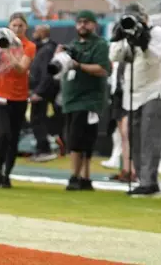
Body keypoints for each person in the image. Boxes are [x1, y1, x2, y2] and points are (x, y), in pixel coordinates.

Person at [109, 3, 161, 196]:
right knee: (134, 137)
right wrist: (121, 36)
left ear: (144, 18)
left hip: (155, 91)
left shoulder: (158, 33)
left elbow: (154, 58)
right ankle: (141, 178)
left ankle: (149, 181)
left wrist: (142, 40)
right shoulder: (128, 36)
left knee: (150, 137)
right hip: (132, 94)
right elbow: (115, 55)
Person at [60, 10, 111, 191]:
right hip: (71, 99)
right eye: (79, 22)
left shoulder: (100, 45)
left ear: (94, 24)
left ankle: (76, 176)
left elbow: (103, 69)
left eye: (87, 22)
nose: (82, 25)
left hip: (89, 99)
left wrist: (78, 65)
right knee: (77, 139)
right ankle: (84, 178)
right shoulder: (72, 45)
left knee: (80, 140)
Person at [0, 13, 36, 188]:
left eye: (20, 26)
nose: (17, 29)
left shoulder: (29, 46)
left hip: (19, 97)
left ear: (26, 28)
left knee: (14, 137)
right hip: (1, 95)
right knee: (4, 134)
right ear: (9, 27)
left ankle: (7, 174)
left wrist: (7, 51)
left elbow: (21, 68)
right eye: (14, 25)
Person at [28, 24, 60, 162]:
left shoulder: (47, 50)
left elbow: (47, 73)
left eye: (36, 31)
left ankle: (44, 149)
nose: (34, 32)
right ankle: (44, 147)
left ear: (43, 33)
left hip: (43, 91)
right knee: (39, 119)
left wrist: (39, 92)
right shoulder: (44, 48)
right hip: (43, 89)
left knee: (37, 119)